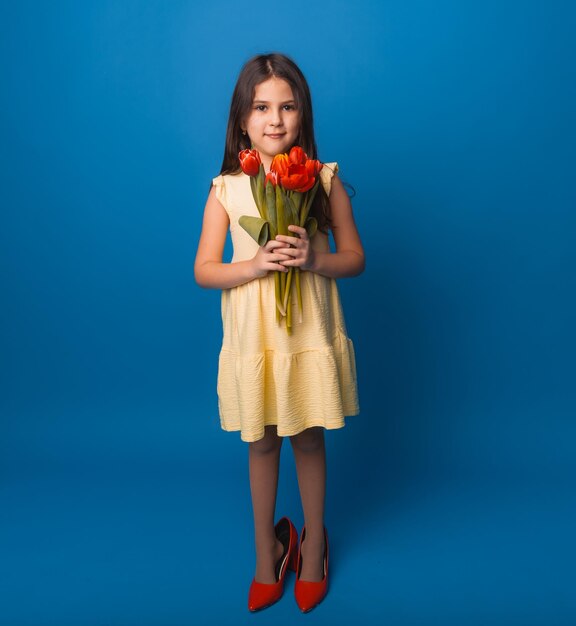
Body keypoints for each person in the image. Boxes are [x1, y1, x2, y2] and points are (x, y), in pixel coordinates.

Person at [194, 52, 365, 612]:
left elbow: (355, 258)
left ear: (303, 115)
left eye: (287, 107)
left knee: (309, 435)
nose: (275, 119)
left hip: (305, 336)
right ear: (241, 120)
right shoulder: (226, 189)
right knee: (261, 439)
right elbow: (204, 270)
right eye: (261, 107)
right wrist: (255, 265)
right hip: (256, 341)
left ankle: (313, 542)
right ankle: (267, 550)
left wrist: (315, 260)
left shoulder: (325, 180)